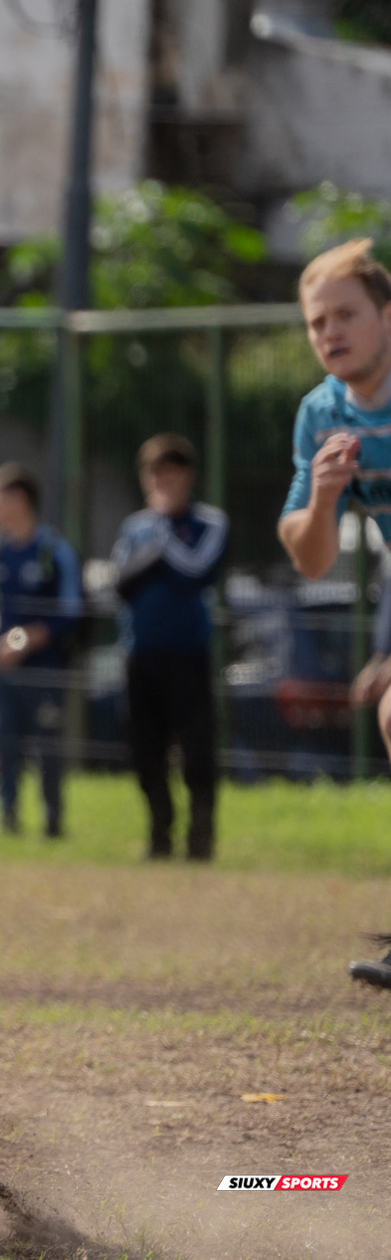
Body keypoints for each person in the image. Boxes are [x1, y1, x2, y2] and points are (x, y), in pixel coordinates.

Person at [275, 238, 391, 987]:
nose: (330, 333)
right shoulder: (322, 414)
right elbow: (308, 558)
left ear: (388, 316)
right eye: (318, 323)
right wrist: (321, 499)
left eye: (346, 314)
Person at [112, 433, 227, 862]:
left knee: (197, 750)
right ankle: (160, 833)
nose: (161, 482)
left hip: (188, 656)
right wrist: (154, 549)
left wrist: (160, 535)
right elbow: (121, 583)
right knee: (145, 751)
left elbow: (196, 571)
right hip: (139, 653)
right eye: (152, 473)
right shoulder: (133, 526)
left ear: (187, 476)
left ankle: (201, 836)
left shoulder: (210, 523)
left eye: (169, 473)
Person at [0, 463, 82, 838]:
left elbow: (70, 614)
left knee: (48, 747)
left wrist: (20, 641)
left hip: (46, 670)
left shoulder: (54, 551)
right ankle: (8, 820)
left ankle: (53, 822)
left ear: (20, 500)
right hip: (0, 673)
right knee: (2, 743)